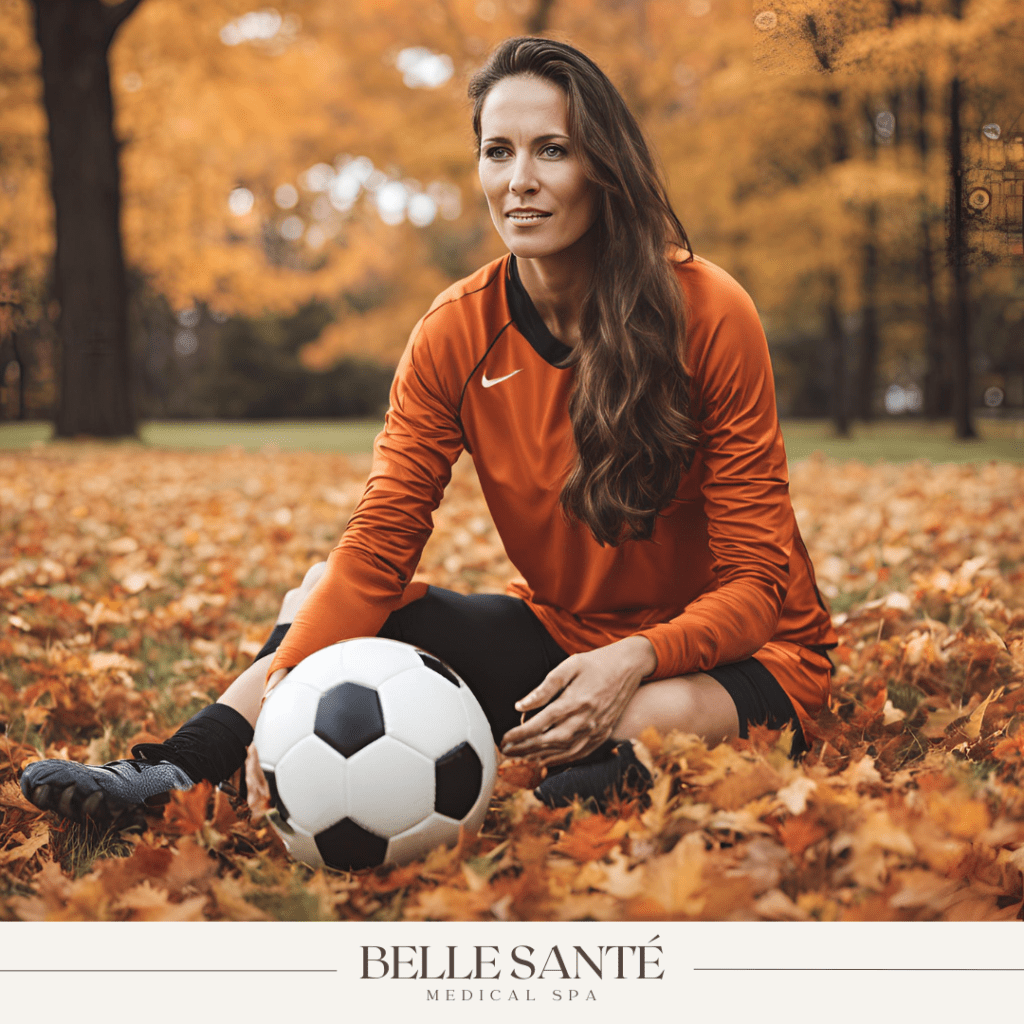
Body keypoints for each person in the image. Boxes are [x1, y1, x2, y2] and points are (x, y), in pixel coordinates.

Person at [21, 37, 837, 830]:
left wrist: (636, 658)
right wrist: (286, 696)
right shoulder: (456, 330)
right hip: (563, 636)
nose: (519, 181)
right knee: (319, 600)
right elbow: (380, 545)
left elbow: (757, 586)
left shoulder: (709, 312)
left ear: (604, 167)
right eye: (498, 152)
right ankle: (174, 771)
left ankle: (586, 783)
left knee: (600, 760)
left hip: (746, 656)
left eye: (552, 150)